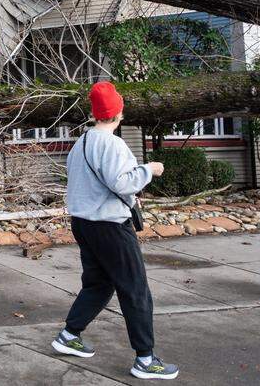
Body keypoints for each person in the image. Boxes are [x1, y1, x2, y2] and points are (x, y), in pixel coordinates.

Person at [51, 81, 179, 380]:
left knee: (99, 283)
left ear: (95, 113)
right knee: (135, 290)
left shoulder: (81, 143)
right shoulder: (113, 144)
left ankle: (70, 335)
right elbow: (122, 183)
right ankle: (145, 359)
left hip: (83, 224)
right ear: (119, 112)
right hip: (110, 225)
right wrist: (150, 170)